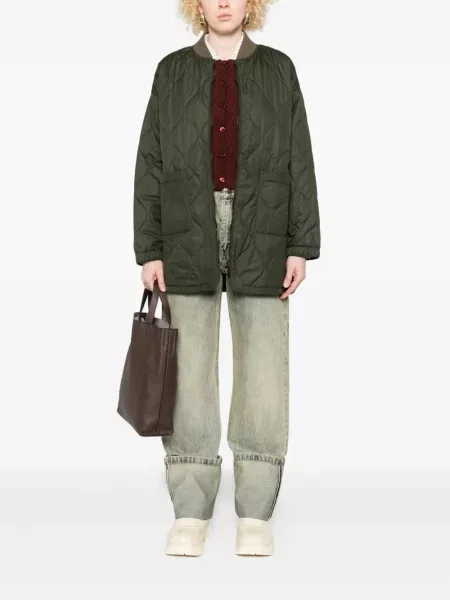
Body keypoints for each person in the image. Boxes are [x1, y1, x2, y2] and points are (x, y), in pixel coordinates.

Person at [133, 0, 320, 556]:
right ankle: (191, 510)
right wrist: (150, 247)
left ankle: (254, 513)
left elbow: (300, 158)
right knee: (188, 368)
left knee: (262, 366)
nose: (223, 2)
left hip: (263, 224)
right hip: (185, 225)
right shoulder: (171, 70)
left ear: (250, 4)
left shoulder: (279, 69)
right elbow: (151, 161)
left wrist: (300, 244)